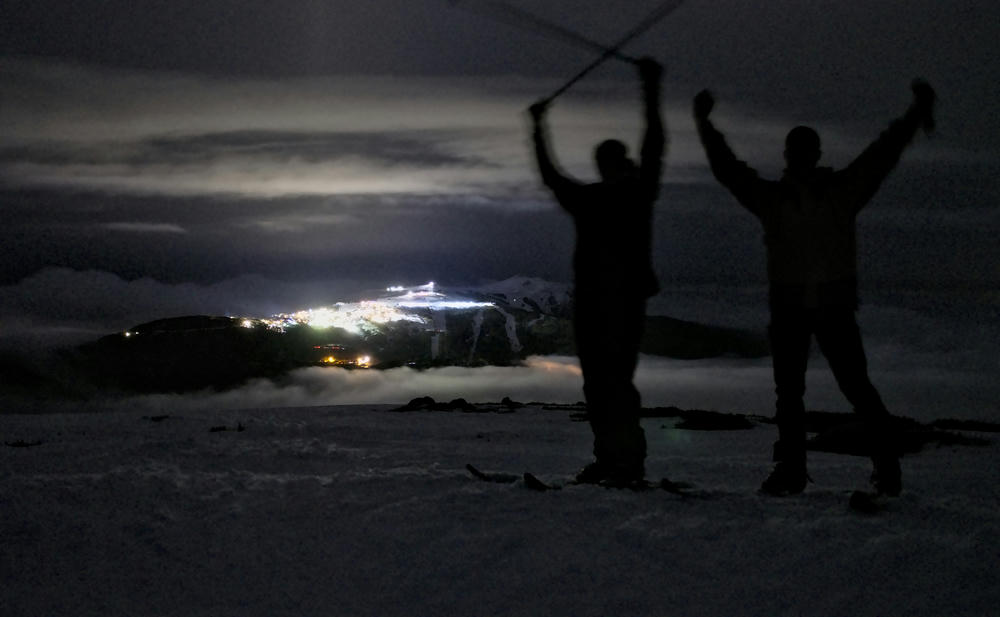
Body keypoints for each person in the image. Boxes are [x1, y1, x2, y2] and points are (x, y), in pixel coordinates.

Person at [692, 80, 936, 496]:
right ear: (794, 156)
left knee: (848, 388)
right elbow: (730, 171)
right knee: (796, 393)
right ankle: (798, 470)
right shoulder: (798, 197)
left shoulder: (833, 193)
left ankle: (879, 466)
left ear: (811, 155)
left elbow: (882, 153)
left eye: (803, 151)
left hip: (825, 306)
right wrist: (704, 127)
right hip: (797, 307)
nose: (800, 158)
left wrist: (915, 115)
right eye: (796, 152)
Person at [529, 57, 665, 486]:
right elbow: (656, 143)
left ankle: (619, 462)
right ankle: (619, 461)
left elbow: (551, 175)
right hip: (618, 301)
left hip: (602, 302)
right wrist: (650, 88)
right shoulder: (636, 194)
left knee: (607, 385)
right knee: (611, 384)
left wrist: (538, 127)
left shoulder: (595, 199)